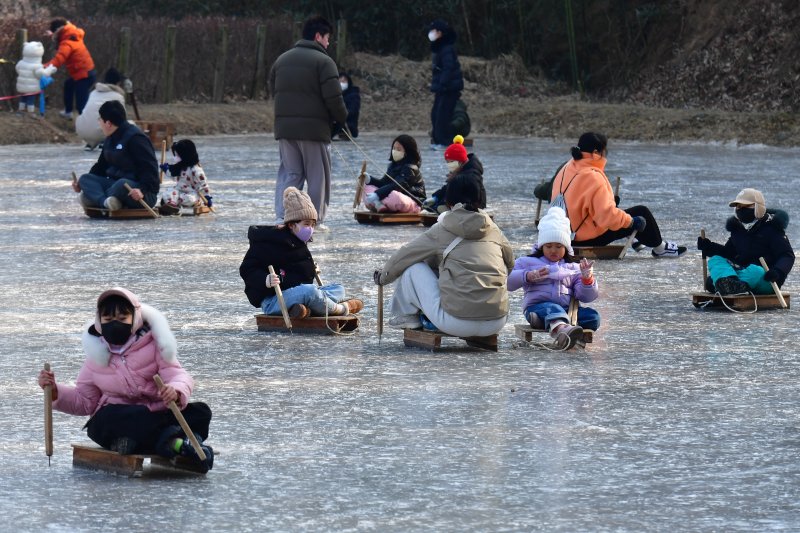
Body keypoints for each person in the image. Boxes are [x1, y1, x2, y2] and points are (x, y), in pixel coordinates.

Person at [36, 287, 214, 472]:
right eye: (108, 319)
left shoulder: (155, 345)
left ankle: (166, 442)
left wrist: (175, 391)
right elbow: (85, 401)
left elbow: (177, 374)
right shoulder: (95, 357)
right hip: (123, 418)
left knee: (200, 412)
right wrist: (54, 391)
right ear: (99, 322)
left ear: (135, 318)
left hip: (156, 413)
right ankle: (179, 442)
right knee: (104, 420)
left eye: (122, 318)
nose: (115, 324)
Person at [373, 173, 514, 337]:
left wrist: (383, 277)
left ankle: (408, 316)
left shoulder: (442, 229)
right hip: (496, 321)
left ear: (448, 202)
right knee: (498, 261)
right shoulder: (494, 230)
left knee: (413, 267)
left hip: (456, 322)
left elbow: (405, 255)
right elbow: (511, 265)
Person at [551, 132, 687, 257]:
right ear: (596, 152)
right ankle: (660, 248)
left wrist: (611, 203)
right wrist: (632, 222)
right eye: (605, 151)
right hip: (585, 239)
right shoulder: (593, 176)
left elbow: (579, 202)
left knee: (620, 213)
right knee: (641, 212)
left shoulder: (567, 167)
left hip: (561, 234)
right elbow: (607, 217)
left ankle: (636, 240)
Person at [269, 15, 347, 229]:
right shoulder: (324, 62)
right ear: (318, 36)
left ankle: (283, 216)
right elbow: (334, 99)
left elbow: (274, 91)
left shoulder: (281, 60)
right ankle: (314, 219)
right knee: (317, 176)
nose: (328, 43)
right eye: (328, 38)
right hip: (314, 131)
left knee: (290, 174)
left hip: (285, 130)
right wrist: (341, 119)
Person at [240, 187, 364, 318]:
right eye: (306, 224)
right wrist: (265, 279)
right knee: (309, 292)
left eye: (313, 225)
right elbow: (246, 269)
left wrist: (310, 268)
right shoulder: (269, 242)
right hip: (274, 300)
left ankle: (306, 309)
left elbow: (295, 273)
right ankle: (341, 309)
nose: (310, 229)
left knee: (338, 289)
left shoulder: (297, 241)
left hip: (295, 294)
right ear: (292, 224)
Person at [508, 206, 600, 350]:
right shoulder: (528, 262)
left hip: (566, 310)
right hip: (538, 307)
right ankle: (561, 331)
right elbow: (508, 282)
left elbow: (585, 297)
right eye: (548, 246)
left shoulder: (573, 267)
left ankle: (560, 326)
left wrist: (586, 279)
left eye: (558, 246)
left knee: (593, 317)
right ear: (541, 246)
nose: (553, 250)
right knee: (552, 308)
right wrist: (527, 276)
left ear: (566, 247)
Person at [697, 188, 794, 295]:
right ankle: (731, 284)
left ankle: (727, 285)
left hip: (767, 278)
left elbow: (787, 255)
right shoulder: (738, 230)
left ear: (758, 208)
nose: (741, 210)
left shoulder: (772, 229)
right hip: (743, 272)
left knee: (756, 270)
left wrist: (778, 271)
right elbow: (729, 253)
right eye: (739, 207)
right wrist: (709, 247)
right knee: (716, 259)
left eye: (746, 206)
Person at [73, 100, 159, 211]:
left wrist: (142, 189)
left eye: (100, 120)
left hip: (138, 192)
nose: (99, 123)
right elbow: (101, 166)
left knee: (122, 184)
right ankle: (106, 202)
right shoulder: (110, 138)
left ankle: (97, 199)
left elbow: (150, 169)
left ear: (108, 123)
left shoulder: (136, 138)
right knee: (85, 179)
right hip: (113, 185)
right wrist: (81, 184)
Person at [42, 18, 96, 118]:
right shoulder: (72, 35)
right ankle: (68, 112)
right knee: (68, 85)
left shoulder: (67, 43)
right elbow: (60, 38)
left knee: (81, 104)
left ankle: (85, 123)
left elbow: (59, 59)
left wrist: (44, 66)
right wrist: (52, 35)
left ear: (57, 32)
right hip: (86, 72)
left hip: (84, 76)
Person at [362, 134, 426, 214]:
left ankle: (379, 202)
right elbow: (384, 183)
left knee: (393, 195)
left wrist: (378, 194)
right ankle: (379, 204)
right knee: (367, 187)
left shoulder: (411, 168)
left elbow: (398, 185)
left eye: (398, 149)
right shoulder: (393, 166)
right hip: (395, 194)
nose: (395, 151)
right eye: (394, 148)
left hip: (413, 201)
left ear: (407, 152)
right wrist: (370, 180)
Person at [423, 135, 485, 214]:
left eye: (451, 161)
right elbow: (447, 189)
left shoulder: (470, 177)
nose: (449, 165)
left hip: (469, 210)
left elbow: (474, 199)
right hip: (458, 207)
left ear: (460, 161)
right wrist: (436, 197)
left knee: (440, 208)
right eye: (447, 162)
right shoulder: (460, 172)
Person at [428, 19, 464, 150]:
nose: (430, 33)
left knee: (442, 116)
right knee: (435, 114)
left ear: (440, 33)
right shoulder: (440, 49)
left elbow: (448, 68)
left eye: (433, 31)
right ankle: (438, 140)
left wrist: (443, 83)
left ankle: (444, 142)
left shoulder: (446, 49)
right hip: (442, 89)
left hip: (448, 89)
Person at [75, 67, 126, 150]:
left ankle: (91, 143)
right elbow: (122, 119)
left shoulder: (93, 92)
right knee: (124, 123)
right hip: (102, 132)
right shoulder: (118, 96)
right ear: (118, 82)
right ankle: (105, 141)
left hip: (82, 131)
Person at [158, 139, 212, 215]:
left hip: (191, 192)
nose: (175, 157)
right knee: (170, 193)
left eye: (177, 155)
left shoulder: (195, 170)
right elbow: (174, 177)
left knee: (189, 199)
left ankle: (178, 204)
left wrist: (207, 197)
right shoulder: (179, 167)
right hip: (179, 190)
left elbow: (203, 185)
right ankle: (171, 206)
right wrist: (166, 170)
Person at [15, 41, 46, 115]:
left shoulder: (21, 62)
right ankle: (30, 112)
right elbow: (40, 75)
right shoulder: (37, 65)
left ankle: (20, 111)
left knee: (23, 98)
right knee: (30, 99)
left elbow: (17, 69)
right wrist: (48, 71)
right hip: (32, 87)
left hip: (22, 85)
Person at [331, 72, 360, 139]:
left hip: (348, 124)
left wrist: (339, 114)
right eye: (340, 81)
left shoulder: (353, 95)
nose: (341, 83)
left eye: (344, 81)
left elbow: (353, 110)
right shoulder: (333, 94)